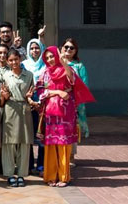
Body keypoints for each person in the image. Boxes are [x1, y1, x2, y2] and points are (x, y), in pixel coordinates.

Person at [37, 46, 94, 187]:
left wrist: (63, 63)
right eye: (48, 57)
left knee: (63, 144)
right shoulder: (44, 72)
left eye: (52, 56)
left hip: (65, 114)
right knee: (51, 144)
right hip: (50, 114)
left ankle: (63, 177)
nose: (50, 59)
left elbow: (73, 81)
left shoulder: (67, 70)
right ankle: (50, 176)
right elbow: (40, 92)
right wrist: (57, 92)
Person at [0, 50, 35, 187]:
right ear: (7, 62)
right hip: (10, 109)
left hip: (24, 109)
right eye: (11, 60)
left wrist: (30, 97)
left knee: (24, 143)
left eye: (16, 59)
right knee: (9, 143)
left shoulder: (29, 75)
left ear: (20, 59)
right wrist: (5, 96)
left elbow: (31, 93)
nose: (14, 62)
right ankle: (9, 173)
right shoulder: (5, 75)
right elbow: (3, 96)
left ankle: (21, 174)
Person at [22, 38, 46, 174]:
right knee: (28, 137)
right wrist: (30, 100)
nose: (34, 51)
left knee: (41, 135)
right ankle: (29, 164)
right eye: (31, 48)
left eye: (37, 48)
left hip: (42, 106)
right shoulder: (23, 65)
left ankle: (42, 165)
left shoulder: (46, 65)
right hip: (28, 105)